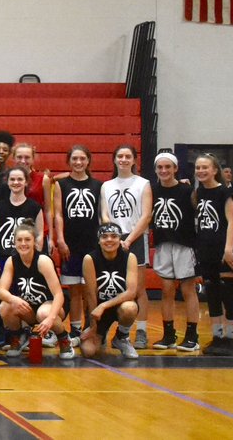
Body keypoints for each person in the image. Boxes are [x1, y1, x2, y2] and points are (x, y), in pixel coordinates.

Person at [100, 145, 153, 349]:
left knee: (138, 289)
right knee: (110, 285)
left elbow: (146, 215)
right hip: (112, 238)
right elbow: (105, 213)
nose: (123, 159)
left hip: (136, 238)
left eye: (127, 156)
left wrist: (129, 240)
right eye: (119, 156)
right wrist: (111, 235)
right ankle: (105, 330)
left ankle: (141, 331)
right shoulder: (107, 185)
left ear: (134, 160)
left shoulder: (143, 183)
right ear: (114, 160)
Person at [0, 223, 74, 359]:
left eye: (27, 240)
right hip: (29, 308)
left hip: (51, 306)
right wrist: (13, 299)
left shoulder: (42, 261)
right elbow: (1, 291)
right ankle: (19, 337)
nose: (23, 243)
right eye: (19, 240)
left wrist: (50, 319)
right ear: (14, 242)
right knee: (5, 306)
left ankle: (64, 338)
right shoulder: (12, 261)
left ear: (34, 242)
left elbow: (59, 295)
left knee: (43, 313)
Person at [51, 145, 103, 348]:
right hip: (70, 244)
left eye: (82, 159)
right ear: (69, 161)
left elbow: (100, 215)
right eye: (74, 159)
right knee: (74, 290)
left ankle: (93, 328)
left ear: (88, 161)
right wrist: (61, 240)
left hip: (91, 243)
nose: (78, 162)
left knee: (91, 289)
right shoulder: (62, 185)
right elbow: (58, 215)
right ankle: (75, 330)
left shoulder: (98, 186)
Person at [149, 152, 200, 352]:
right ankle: (169, 334)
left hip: (185, 245)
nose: (163, 171)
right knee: (167, 291)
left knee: (188, 290)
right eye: (160, 167)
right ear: (155, 170)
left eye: (167, 167)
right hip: (163, 244)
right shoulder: (152, 191)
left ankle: (192, 335)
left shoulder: (187, 190)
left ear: (175, 169)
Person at [194, 154, 233, 356]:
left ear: (214, 170)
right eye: (198, 167)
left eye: (205, 167)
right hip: (206, 251)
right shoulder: (197, 193)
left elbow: (232, 220)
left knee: (228, 295)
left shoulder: (224, 192)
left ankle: (230, 339)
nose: (201, 171)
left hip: (225, 251)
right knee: (212, 294)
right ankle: (217, 337)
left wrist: (228, 249)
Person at [79, 223, 140, 359]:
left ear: (120, 239)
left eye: (114, 236)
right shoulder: (90, 259)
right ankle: (102, 335)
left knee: (130, 308)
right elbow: (90, 294)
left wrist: (104, 305)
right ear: (99, 240)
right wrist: (93, 326)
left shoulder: (130, 257)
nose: (109, 240)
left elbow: (131, 292)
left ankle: (121, 337)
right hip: (99, 312)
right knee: (88, 351)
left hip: (120, 306)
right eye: (104, 237)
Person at [0, 166, 44, 270]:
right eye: (12, 179)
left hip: (27, 258)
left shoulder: (35, 207)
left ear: (26, 182)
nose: (16, 182)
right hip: (3, 257)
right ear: (7, 182)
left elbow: (40, 234)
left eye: (20, 179)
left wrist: (36, 256)